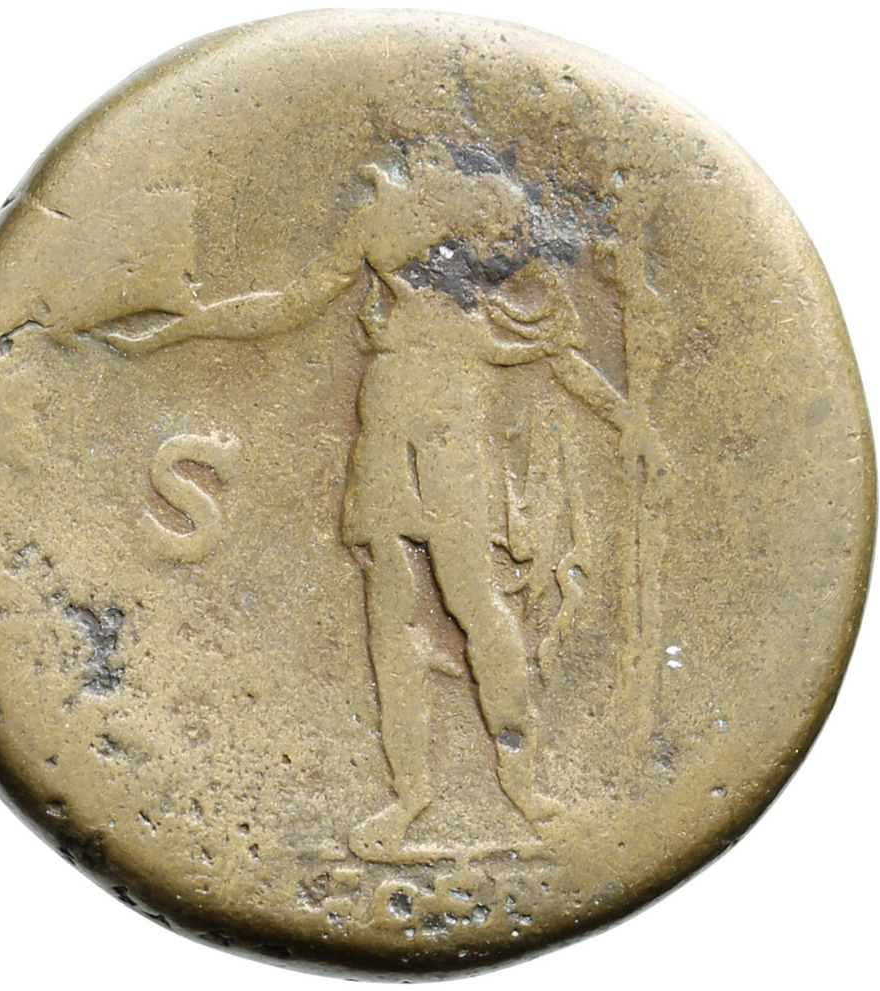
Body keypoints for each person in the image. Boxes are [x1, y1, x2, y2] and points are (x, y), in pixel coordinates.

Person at [88, 147, 638, 857]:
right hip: (385, 440)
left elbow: (563, 358)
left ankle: (522, 786)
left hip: (452, 446)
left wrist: (631, 424)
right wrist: (186, 327)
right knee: (390, 617)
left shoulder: (502, 236)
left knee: (474, 603)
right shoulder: (382, 226)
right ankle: (410, 796)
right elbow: (294, 303)